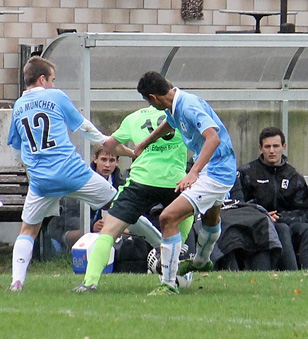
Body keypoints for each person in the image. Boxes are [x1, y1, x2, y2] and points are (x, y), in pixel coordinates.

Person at [75, 71, 236, 296]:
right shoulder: (176, 105)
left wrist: (193, 173)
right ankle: (198, 261)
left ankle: (167, 283)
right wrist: (144, 143)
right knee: (210, 217)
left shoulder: (186, 107)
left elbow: (213, 138)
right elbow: (169, 124)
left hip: (203, 173)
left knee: (162, 219)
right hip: (191, 176)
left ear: (152, 98)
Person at [6, 56, 134, 291]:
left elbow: (16, 145)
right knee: (123, 206)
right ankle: (161, 244)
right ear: (43, 79)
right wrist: (108, 142)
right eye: (52, 79)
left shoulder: (18, 106)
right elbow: (83, 127)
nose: (54, 84)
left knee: (28, 229)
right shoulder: (55, 96)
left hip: (41, 181)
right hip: (72, 172)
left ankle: (16, 282)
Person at [72, 104, 196, 292]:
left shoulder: (134, 117)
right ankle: (175, 251)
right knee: (188, 213)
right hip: (175, 181)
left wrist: (131, 153)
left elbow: (110, 145)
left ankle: (89, 283)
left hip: (141, 179)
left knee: (109, 231)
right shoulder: (181, 114)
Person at [230, 127, 308, 270]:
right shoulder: (246, 173)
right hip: (257, 225)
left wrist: (280, 217)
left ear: (284, 147)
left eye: (276, 146)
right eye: (267, 146)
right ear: (260, 148)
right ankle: (292, 272)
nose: (272, 151)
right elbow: (239, 206)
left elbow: (306, 212)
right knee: (281, 229)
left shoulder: (294, 176)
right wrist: (263, 216)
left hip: (286, 222)